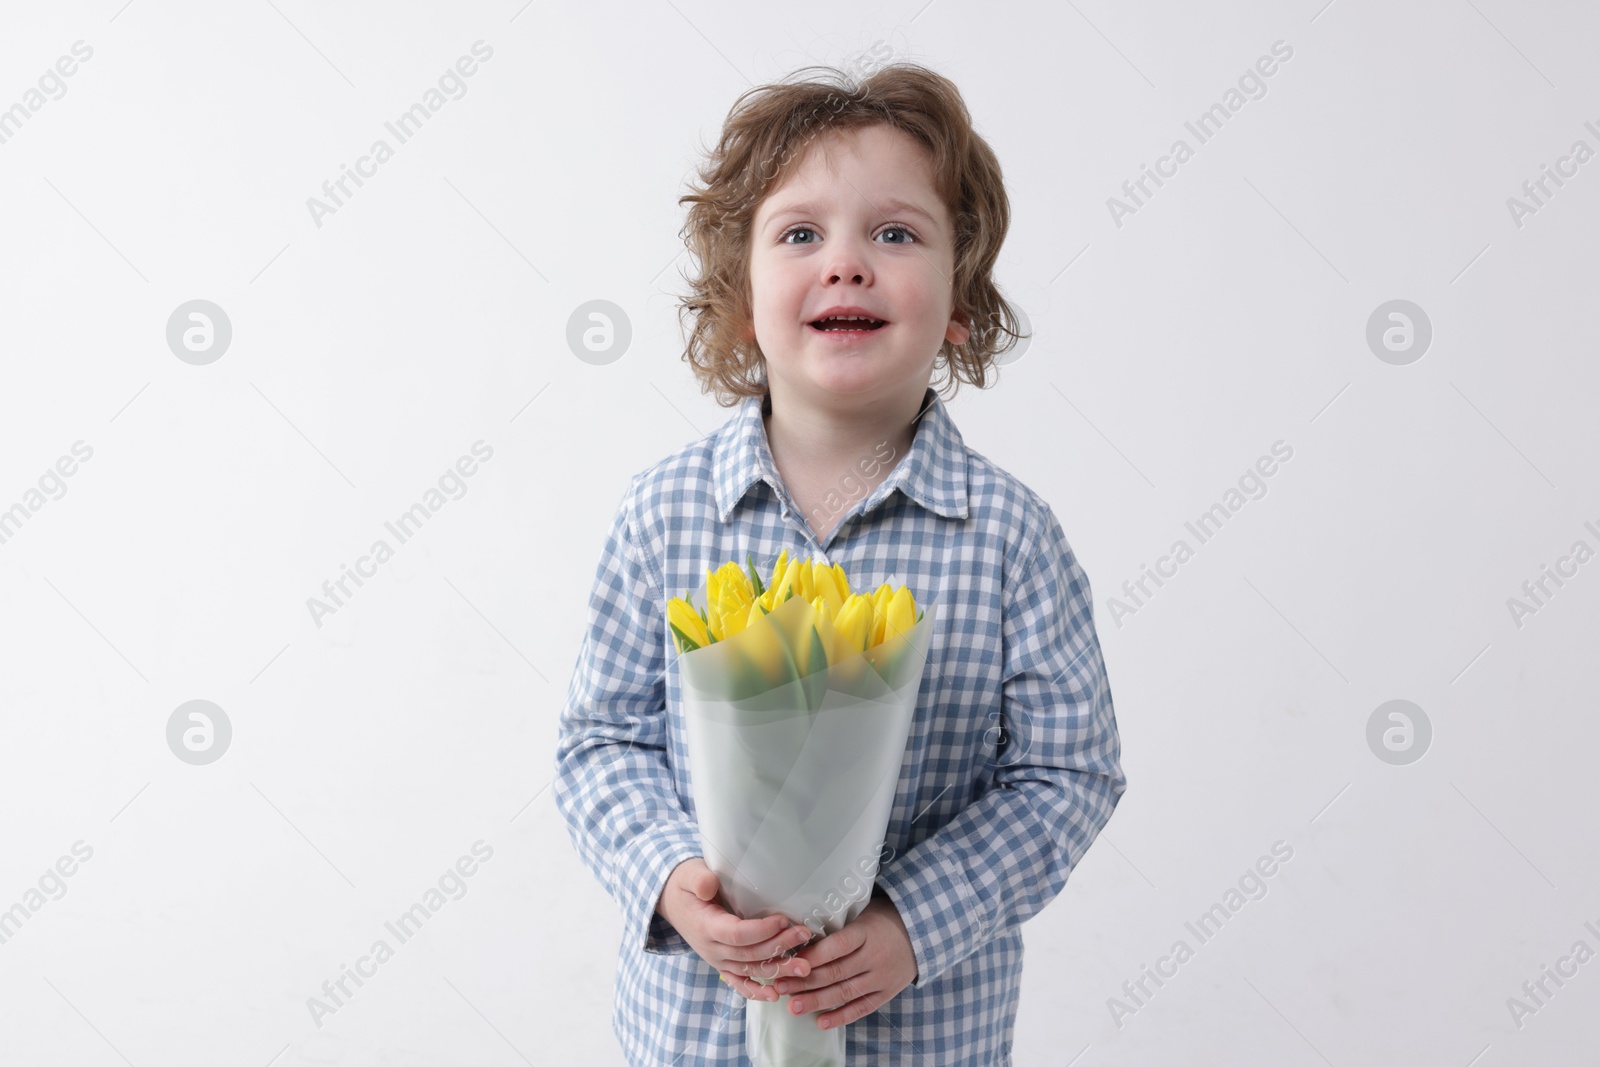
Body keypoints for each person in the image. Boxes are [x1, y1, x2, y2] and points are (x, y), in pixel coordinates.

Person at [553, 59, 1126, 1066]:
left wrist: (914, 924)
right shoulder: (663, 513)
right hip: (695, 1033)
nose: (847, 263)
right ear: (740, 303)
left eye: (895, 233)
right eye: (800, 234)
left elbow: (1065, 772)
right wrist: (672, 877)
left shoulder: (1010, 536)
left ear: (959, 303)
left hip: (924, 1037)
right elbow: (601, 741)